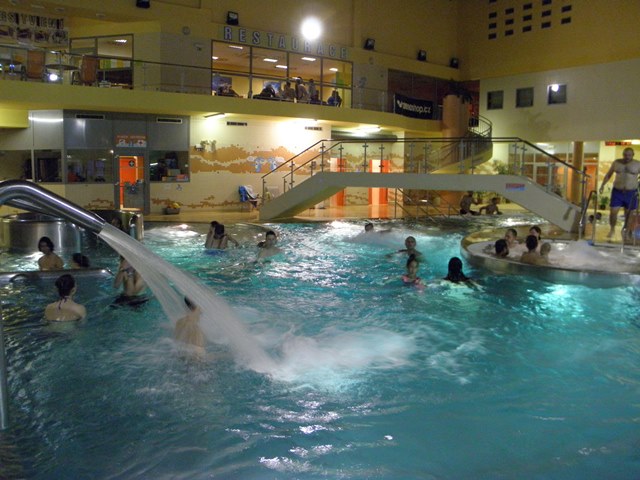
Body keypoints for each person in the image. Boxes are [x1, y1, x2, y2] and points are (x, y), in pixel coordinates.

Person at [599, 147, 640, 238]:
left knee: (629, 214)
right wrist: (602, 185)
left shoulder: (637, 164)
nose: (627, 157)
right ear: (623, 154)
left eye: (629, 155)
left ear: (633, 155)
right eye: (625, 155)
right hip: (617, 191)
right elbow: (609, 174)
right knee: (613, 212)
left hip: (631, 192)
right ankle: (612, 229)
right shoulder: (616, 163)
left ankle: (626, 230)